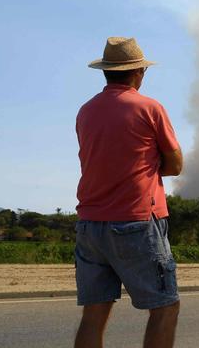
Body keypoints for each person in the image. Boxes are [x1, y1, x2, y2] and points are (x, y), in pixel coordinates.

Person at [74, 37, 183, 348]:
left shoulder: (86, 111)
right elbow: (175, 165)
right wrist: (147, 164)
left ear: (106, 72)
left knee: (94, 315)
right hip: (136, 221)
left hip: (90, 224)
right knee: (165, 307)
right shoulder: (150, 108)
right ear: (139, 72)